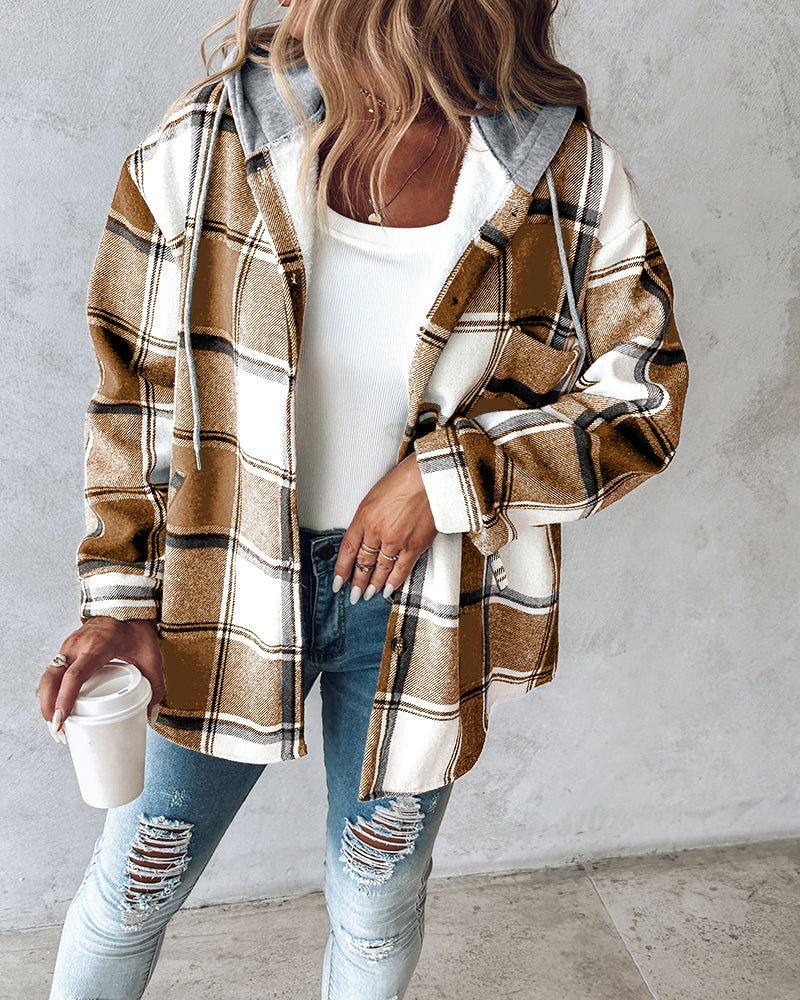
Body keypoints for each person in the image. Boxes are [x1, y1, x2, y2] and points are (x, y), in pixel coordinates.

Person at [38, 0, 690, 996]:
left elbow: (644, 400)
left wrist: (447, 479)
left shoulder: (560, 172)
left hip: (421, 603)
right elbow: (134, 388)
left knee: (376, 903)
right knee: (136, 883)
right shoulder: (212, 140)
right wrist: (118, 599)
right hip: (222, 583)